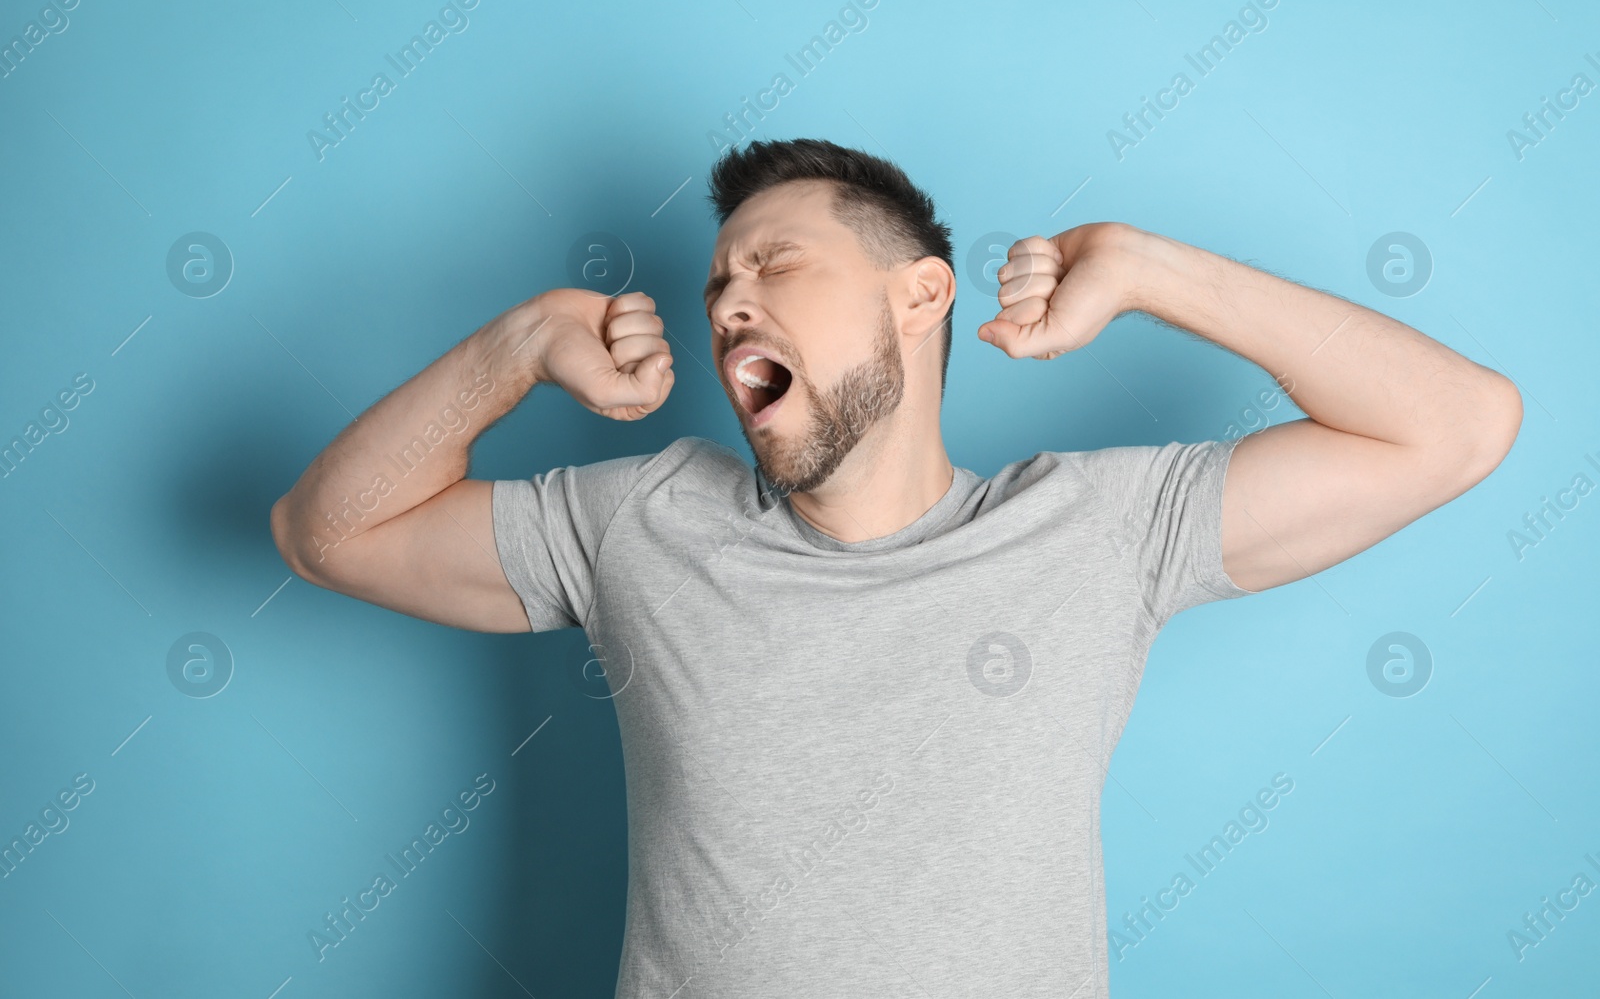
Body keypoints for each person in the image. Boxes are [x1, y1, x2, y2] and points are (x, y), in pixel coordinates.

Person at [270, 138, 1521, 996]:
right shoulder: (642, 523)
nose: (727, 304)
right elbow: (327, 531)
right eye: (718, 281)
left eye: (775, 264)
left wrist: (1145, 269)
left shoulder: (1094, 530)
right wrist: (521, 344)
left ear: (921, 297)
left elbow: (1457, 424)